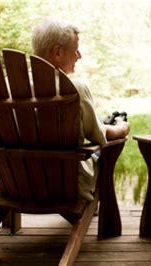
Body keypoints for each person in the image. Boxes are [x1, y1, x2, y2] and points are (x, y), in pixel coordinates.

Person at [31, 18, 130, 201]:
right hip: (67, 186)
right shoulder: (74, 88)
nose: (79, 56)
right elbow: (98, 135)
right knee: (114, 143)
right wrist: (121, 129)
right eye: (75, 49)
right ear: (58, 52)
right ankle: (107, 217)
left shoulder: (8, 87)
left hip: (21, 183)